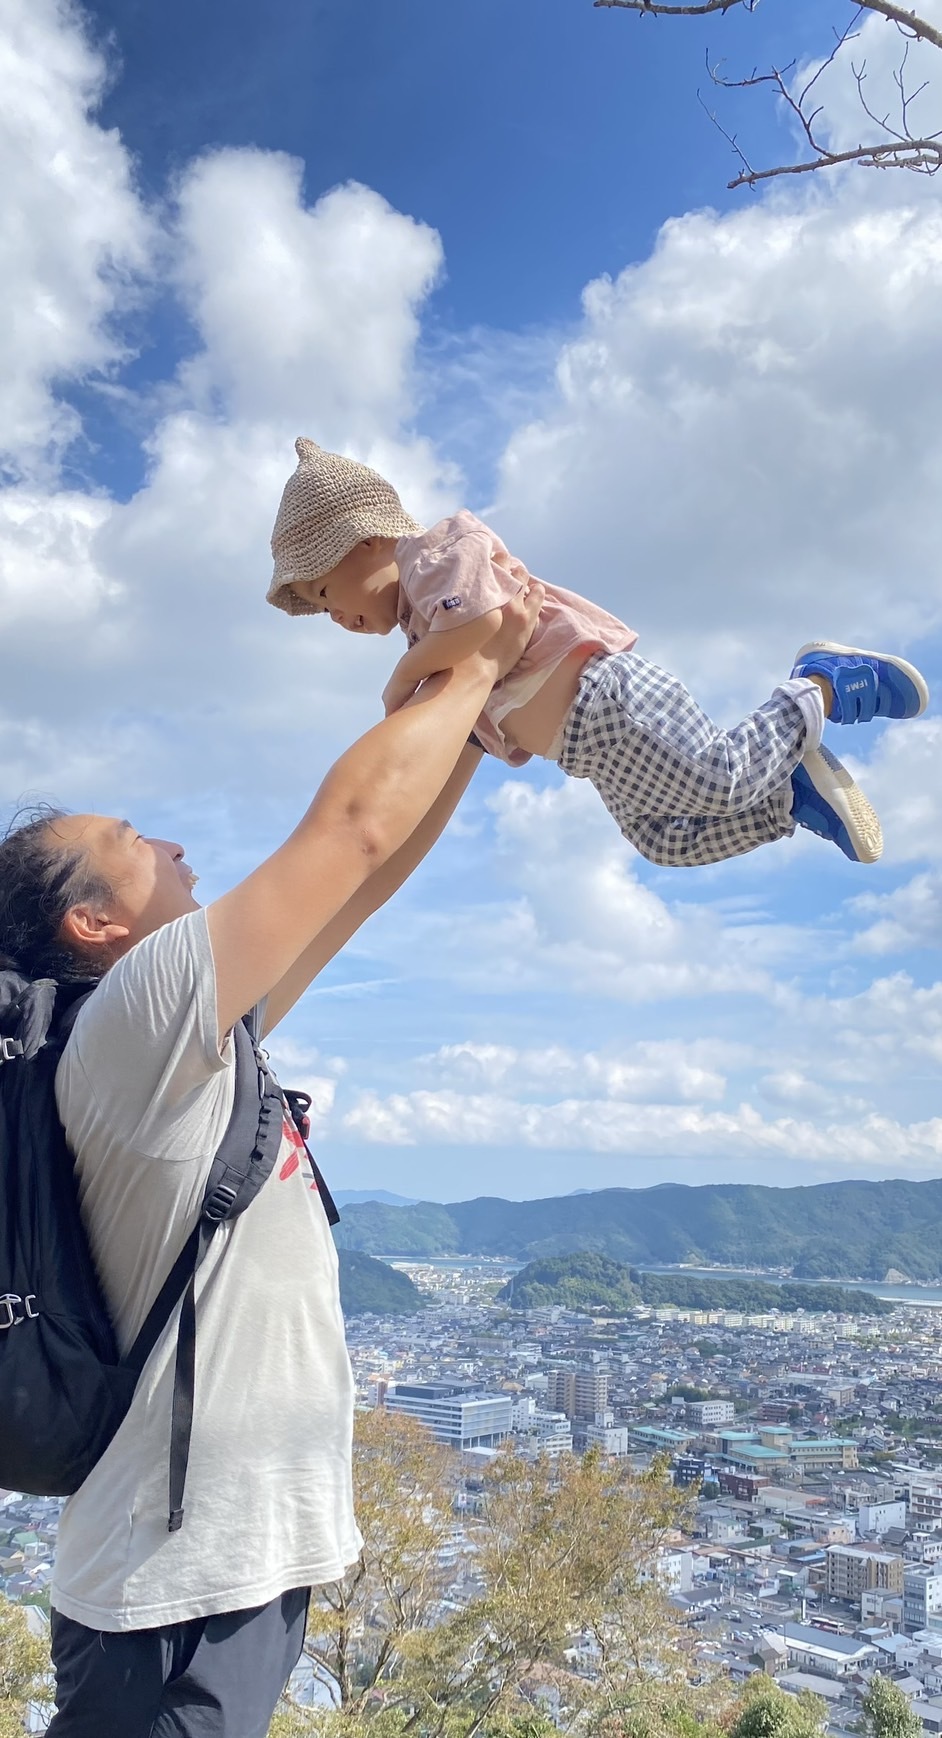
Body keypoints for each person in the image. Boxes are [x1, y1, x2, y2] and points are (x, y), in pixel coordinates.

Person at [0, 585, 540, 1738]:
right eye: (133, 842)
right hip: (170, 1593)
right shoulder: (131, 1025)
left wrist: (469, 725)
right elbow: (344, 829)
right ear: (92, 924)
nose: (177, 842)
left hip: (227, 1572)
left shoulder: (183, 1049)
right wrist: (480, 663)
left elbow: (361, 880)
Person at [268, 438, 931, 869]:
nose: (334, 617)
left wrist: (403, 682)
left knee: (717, 777)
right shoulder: (420, 626)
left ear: (365, 541)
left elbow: (485, 626)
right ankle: (789, 795)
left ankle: (824, 684)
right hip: (589, 754)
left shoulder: (433, 555)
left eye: (325, 593)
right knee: (664, 841)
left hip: (607, 697)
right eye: (322, 612)